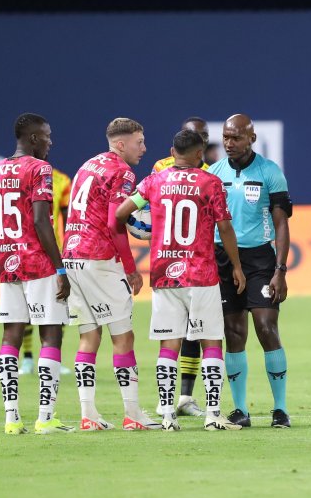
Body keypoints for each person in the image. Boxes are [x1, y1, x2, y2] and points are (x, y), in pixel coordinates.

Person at [116, 128, 247, 431]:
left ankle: (167, 416)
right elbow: (225, 228)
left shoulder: (154, 181)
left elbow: (121, 213)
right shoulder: (210, 182)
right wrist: (237, 266)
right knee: (211, 341)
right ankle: (213, 415)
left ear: (173, 152)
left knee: (168, 345)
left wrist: (149, 229)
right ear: (200, 154)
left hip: (164, 273)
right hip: (201, 273)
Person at [0, 113, 72, 435]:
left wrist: (2, 266)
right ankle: (45, 418)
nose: (50, 142)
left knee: (11, 335)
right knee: (52, 333)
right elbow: (40, 220)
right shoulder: (39, 169)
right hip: (38, 263)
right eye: (47, 136)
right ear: (34, 138)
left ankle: (11, 419)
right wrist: (60, 267)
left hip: (9, 263)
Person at [206, 114, 295, 429]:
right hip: (222, 258)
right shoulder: (213, 174)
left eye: (236, 137)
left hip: (259, 260)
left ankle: (280, 409)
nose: (229, 143)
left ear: (252, 138)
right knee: (233, 333)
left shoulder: (270, 172)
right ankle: (240, 409)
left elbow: (281, 224)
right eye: (226, 137)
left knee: (266, 327)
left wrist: (280, 270)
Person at [62, 118, 150, 430]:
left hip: (72, 255)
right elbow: (115, 223)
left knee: (89, 336)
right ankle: (133, 414)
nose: (144, 148)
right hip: (99, 258)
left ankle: (88, 415)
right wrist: (131, 268)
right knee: (123, 335)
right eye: (139, 142)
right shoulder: (122, 172)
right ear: (121, 144)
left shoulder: (87, 165)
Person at [151, 117, 214, 417]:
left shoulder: (211, 171)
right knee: (175, 332)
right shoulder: (162, 168)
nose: (202, 139)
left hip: (197, 259)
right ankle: (167, 400)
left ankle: (184, 398)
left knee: (194, 332)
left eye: (205, 135)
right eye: (195, 135)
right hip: (173, 261)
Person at [20, 166, 72, 376]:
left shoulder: (62, 180)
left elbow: (67, 220)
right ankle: (27, 357)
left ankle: (54, 358)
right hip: (27, 252)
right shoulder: (20, 176)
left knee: (58, 309)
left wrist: (67, 251)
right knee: (26, 312)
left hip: (53, 254)